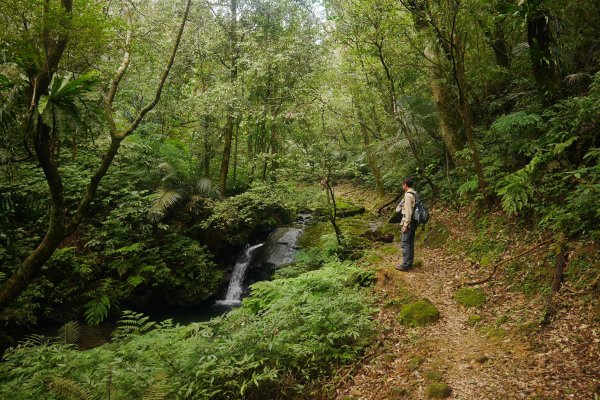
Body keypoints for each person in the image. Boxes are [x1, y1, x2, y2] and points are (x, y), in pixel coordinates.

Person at [395, 178, 419, 271]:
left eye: (403, 184)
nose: (402, 186)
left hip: (409, 222)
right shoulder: (415, 193)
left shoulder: (408, 195)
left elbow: (408, 211)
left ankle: (405, 265)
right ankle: (409, 263)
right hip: (414, 221)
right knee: (410, 243)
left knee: (405, 243)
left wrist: (405, 225)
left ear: (405, 184)